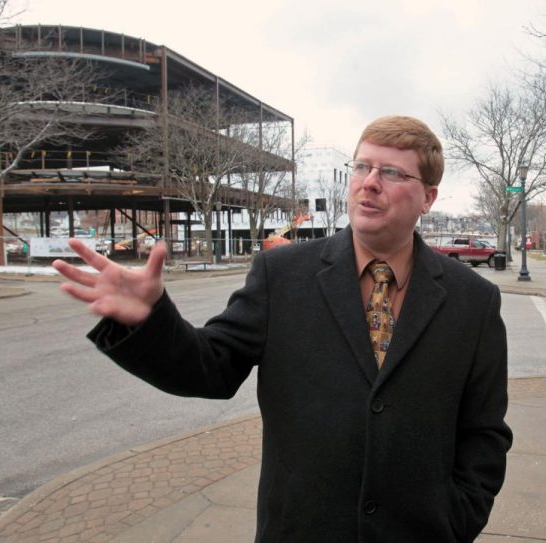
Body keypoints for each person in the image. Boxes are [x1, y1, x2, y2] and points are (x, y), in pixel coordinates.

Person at [53, 115, 512, 542]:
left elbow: (484, 431)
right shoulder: (282, 274)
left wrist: (455, 519)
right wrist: (152, 319)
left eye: (392, 173)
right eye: (362, 167)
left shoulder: (473, 300)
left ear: (428, 196)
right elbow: (211, 368)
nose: (369, 183)